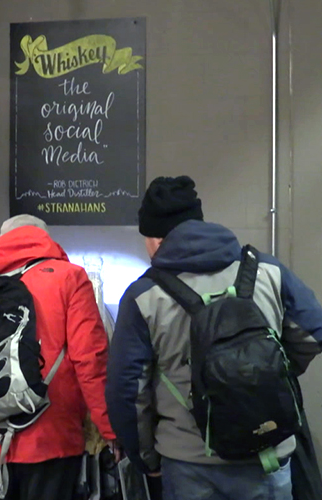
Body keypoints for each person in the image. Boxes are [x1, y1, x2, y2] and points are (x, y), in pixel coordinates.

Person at [106, 175, 322, 500]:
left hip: (188, 464)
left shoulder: (144, 296)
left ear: (154, 239)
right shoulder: (268, 271)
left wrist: (146, 459)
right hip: (266, 454)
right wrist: (264, 373)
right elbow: (312, 334)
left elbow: (127, 390)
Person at [0, 214, 117, 500]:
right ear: (45, 239)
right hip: (53, 441)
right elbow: (90, 361)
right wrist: (109, 429)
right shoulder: (69, 278)